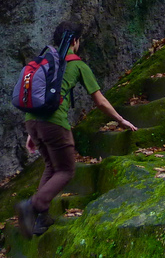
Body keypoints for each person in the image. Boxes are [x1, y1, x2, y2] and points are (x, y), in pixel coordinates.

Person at [15, 21, 137, 238]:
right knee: (66, 170)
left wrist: (31, 133)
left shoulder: (44, 62)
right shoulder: (78, 65)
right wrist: (120, 120)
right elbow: (99, 101)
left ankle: (41, 218)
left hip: (32, 122)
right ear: (74, 41)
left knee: (52, 166)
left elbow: (38, 95)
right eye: (79, 40)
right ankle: (33, 206)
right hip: (54, 124)